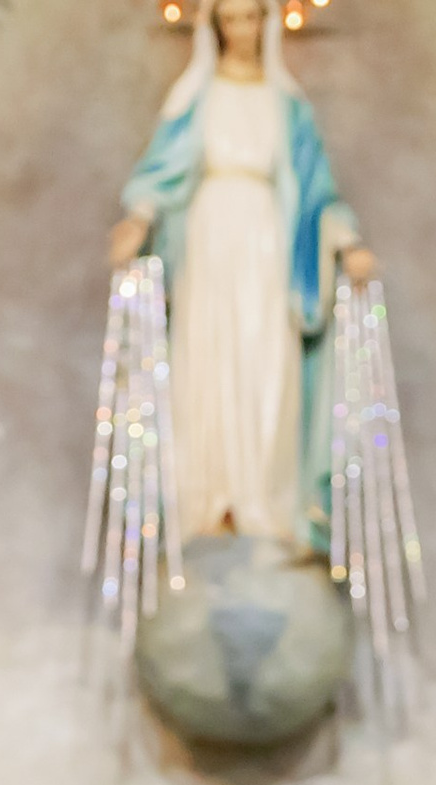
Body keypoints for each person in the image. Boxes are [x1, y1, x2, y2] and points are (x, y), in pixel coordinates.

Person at [109, 0, 374, 555]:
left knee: (266, 363)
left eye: (251, 17)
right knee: (206, 358)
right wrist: (139, 217)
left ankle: (267, 504)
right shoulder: (194, 99)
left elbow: (316, 188)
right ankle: (209, 502)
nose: (242, 30)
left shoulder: (288, 106)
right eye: (230, 18)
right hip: (209, 239)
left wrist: (347, 241)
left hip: (268, 243)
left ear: (266, 23)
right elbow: (162, 170)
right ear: (215, 26)